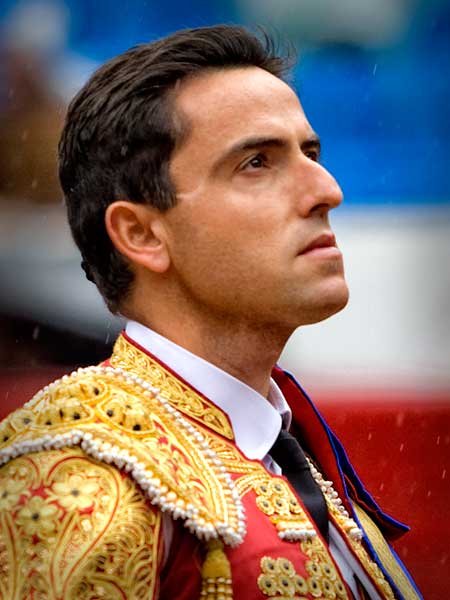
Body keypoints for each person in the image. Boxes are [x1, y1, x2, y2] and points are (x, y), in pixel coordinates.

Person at [0, 25, 422, 600]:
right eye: (256, 162)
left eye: (311, 153)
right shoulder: (81, 475)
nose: (327, 190)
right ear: (142, 234)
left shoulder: (290, 447)